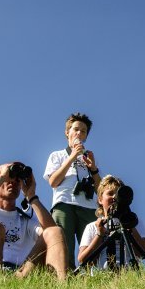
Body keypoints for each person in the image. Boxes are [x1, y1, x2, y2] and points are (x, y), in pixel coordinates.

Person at [0, 162, 68, 280]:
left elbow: (53, 236)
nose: (13, 182)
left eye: (18, 179)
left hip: (18, 274)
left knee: (55, 231)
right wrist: (2, 177)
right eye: (9, 177)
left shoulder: (25, 219)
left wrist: (31, 197)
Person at [44, 112, 102, 269]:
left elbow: (101, 192)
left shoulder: (89, 158)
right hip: (64, 204)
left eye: (83, 131)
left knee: (92, 246)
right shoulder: (57, 155)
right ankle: (63, 279)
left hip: (89, 206)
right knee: (63, 245)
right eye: (76, 129)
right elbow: (53, 181)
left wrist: (94, 169)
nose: (79, 133)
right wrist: (72, 157)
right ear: (67, 132)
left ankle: (91, 278)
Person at [78, 175, 145, 269]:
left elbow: (143, 252)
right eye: (110, 193)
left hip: (129, 275)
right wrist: (99, 234)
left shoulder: (135, 222)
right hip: (103, 277)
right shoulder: (92, 227)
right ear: (100, 199)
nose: (114, 197)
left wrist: (130, 226)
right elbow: (83, 261)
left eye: (117, 194)